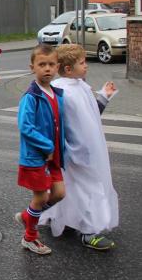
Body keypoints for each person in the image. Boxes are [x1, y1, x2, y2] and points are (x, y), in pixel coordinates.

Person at [39, 45, 119, 250]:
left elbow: (91, 116)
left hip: (85, 150)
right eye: (82, 63)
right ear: (67, 69)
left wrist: (104, 96)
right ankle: (89, 231)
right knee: (89, 189)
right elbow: (54, 124)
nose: (86, 66)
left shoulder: (79, 86)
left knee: (73, 188)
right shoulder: (63, 92)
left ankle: (65, 218)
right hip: (74, 151)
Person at [14, 44, 66, 255]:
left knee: (59, 193)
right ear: (32, 68)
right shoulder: (31, 96)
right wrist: (47, 146)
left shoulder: (56, 94)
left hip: (53, 156)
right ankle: (30, 237)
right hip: (36, 156)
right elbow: (25, 126)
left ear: (58, 67)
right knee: (41, 198)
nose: (47, 69)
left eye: (51, 64)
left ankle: (28, 216)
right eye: (42, 64)